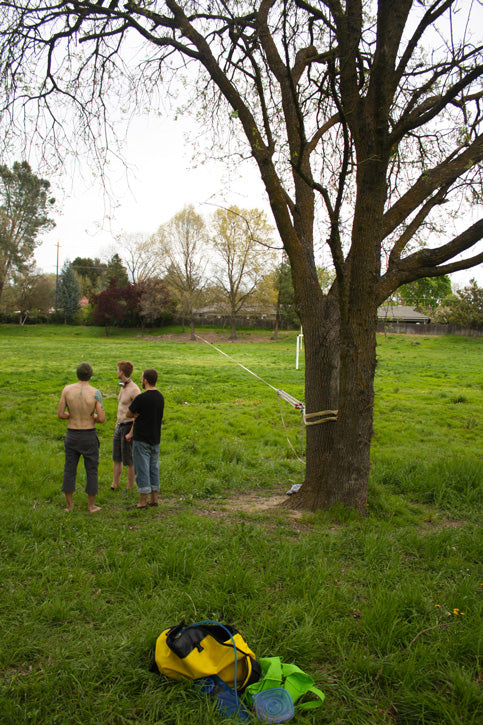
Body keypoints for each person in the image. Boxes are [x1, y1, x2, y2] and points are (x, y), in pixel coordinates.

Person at [57, 362, 105, 513]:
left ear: (77, 374)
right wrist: (93, 416)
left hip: (72, 433)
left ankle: (69, 505)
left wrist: (71, 415)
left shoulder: (67, 390)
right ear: (90, 375)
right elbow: (102, 418)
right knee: (91, 469)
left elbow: (60, 414)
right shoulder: (95, 392)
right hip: (89, 434)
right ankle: (91, 506)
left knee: (69, 469)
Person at [126, 368, 164, 509]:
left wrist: (135, 414)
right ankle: (154, 498)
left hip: (141, 439)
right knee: (154, 468)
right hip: (155, 438)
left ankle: (142, 501)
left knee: (142, 469)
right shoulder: (160, 397)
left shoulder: (141, 398)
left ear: (146, 380)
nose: (141, 380)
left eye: (142, 378)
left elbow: (129, 413)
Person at [111, 360, 141, 491]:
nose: (116, 372)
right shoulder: (122, 386)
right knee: (116, 457)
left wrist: (132, 432)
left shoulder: (134, 390)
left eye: (117, 370)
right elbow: (121, 408)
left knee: (129, 459)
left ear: (121, 372)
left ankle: (130, 486)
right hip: (119, 426)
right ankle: (114, 484)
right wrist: (116, 424)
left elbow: (138, 413)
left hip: (128, 426)